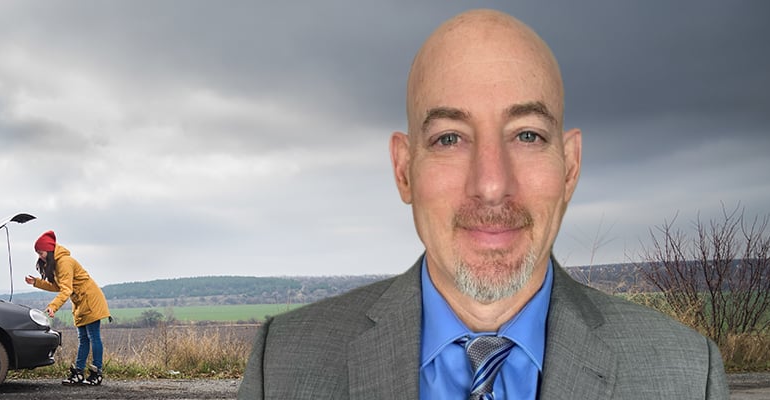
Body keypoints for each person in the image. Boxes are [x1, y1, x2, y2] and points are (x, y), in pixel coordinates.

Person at [238, 9, 727, 400]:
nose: (492, 185)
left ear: (570, 166)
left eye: (528, 135)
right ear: (404, 169)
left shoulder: (685, 376)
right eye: (450, 138)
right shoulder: (281, 366)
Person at [26, 230, 111, 386]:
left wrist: (53, 306)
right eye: (38, 253)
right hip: (81, 302)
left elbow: (66, 290)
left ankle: (96, 373)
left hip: (90, 301)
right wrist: (36, 282)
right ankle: (79, 373)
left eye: (41, 252)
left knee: (93, 337)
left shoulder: (64, 262)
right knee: (83, 339)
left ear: (49, 250)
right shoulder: (57, 263)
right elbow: (57, 286)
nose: (40, 256)